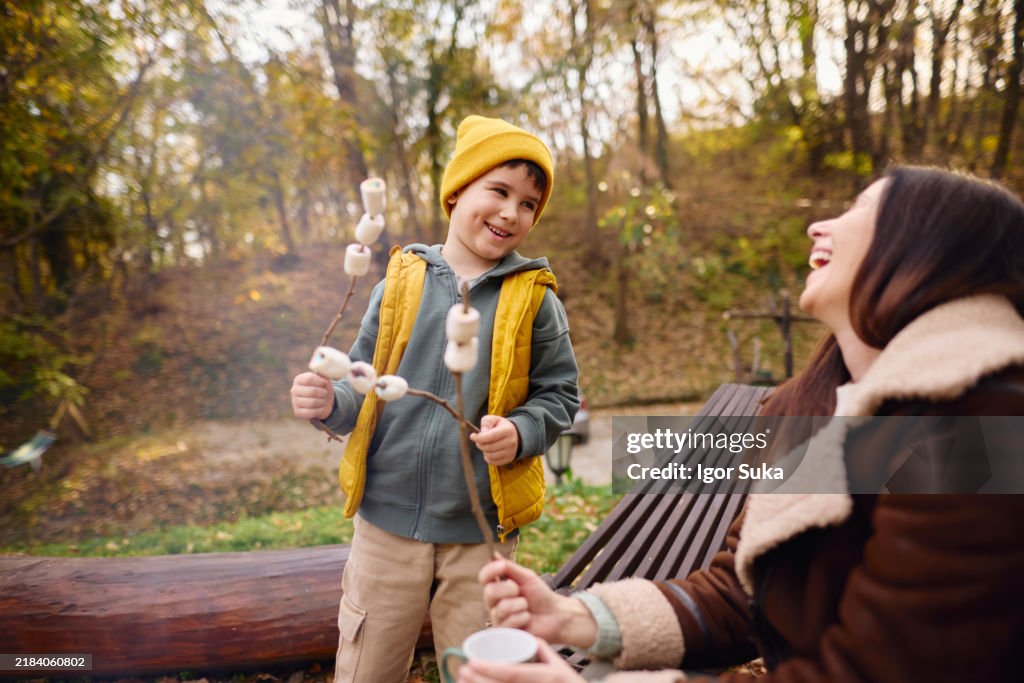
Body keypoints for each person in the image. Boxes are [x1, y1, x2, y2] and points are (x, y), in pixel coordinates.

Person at [461, 166, 1024, 683]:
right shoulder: (825, 408)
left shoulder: (986, 422)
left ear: (929, 248)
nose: (817, 226)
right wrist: (570, 616)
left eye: (860, 208)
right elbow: (741, 597)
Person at [290, 115, 580, 682]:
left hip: (479, 531)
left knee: (480, 670)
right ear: (456, 193)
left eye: (528, 204)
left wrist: (521, 431)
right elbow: (361, 383)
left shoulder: (535, 300)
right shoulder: (399, 283)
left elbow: (560, 394)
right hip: (385, 524)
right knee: (368, 660)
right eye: (498, 191)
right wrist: (328, 403)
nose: (510, 213)